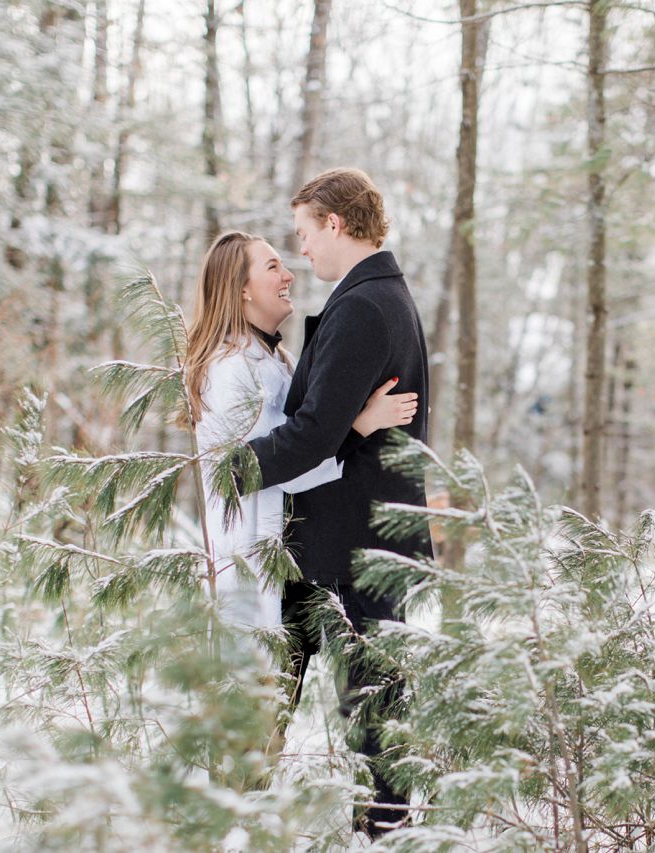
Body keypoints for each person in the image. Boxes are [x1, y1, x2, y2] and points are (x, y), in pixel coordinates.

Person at [240, 168, 432, 836]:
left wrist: (231, 468)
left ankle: (378, 836)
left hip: (351, 549)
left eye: (304, 234)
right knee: (331, 706)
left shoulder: (363, 307)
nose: (303, 254)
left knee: (371, 721)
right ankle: (240, 816)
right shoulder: (381, 296)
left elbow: (315, 433)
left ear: (335, 223)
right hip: (352, 541)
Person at [183, 230, 417, 631]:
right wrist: (363, 422)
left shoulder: (278, 360)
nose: (288, 275)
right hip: (248, 555)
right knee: (257, 682)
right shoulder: (231, 370)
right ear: (242, 289)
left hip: (282, 557)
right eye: (273, 267)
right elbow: (283, 461)